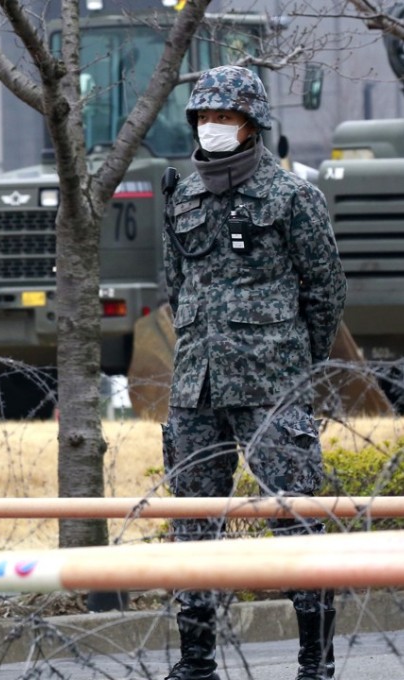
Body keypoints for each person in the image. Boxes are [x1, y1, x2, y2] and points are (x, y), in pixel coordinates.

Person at [160, 65, 348, 680]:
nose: (213, 127)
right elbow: (176, 285)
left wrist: (293, 361)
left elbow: (324, 291)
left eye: (226, 116)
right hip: (196, 385)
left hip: (272, 385)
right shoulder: (181, 196)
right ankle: (195, 662)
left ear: (251, 124)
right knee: (193, 522)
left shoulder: (293, 197)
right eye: (205, 117)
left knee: (295, 519)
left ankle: (313, 662)